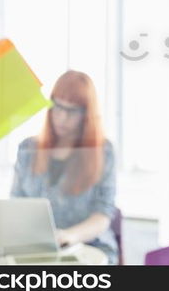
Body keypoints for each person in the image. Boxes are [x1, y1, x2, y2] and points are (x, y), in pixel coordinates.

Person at [10, 70, 119, 264]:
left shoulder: (103, 151)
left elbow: (103, 215)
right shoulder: (28, 149)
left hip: (89, 247)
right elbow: (16, 205)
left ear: (86, 114)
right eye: (57, 107)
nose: (62, 117)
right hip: (36, 250)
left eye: (71, 111)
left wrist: (70, 236)